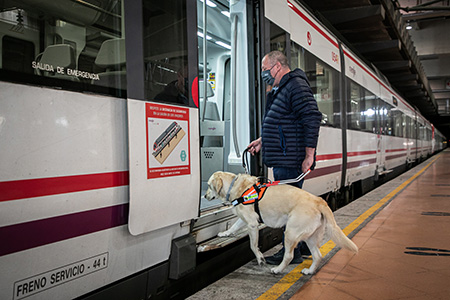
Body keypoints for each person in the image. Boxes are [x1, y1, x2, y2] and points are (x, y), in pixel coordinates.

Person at [248, 50, 321, 265]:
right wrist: (263, 140)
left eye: (265, 70)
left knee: (289, 209)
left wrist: (310, 155)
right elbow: (284, 122)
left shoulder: (295, 85)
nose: (264, 74)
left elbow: (312, 117)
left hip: (290, 159)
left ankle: (292, 253)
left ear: (277, 66)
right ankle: (303, 248)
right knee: (292, 206)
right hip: (284, 156)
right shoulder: (283, 88)